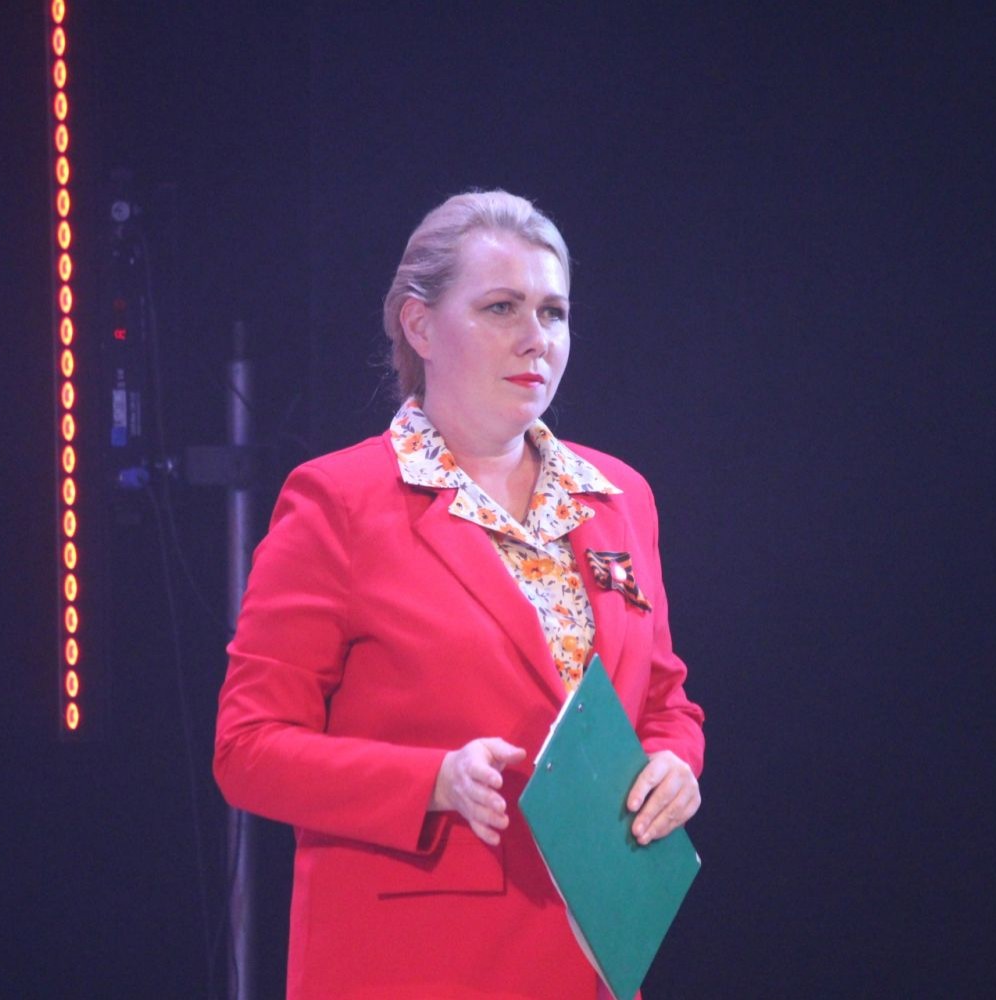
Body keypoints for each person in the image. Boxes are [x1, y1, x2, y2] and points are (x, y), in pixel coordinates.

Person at [213, 189, 705, 999]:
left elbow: (663, 701)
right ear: (419, 325)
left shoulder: (620, 497)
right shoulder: (338, 503)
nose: (536, 338)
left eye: (553, 312)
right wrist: (433, 781)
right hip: (413, 966)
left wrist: (675, 763)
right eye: (501, 307)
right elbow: (247, 751)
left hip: (593, 962)